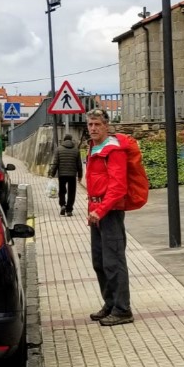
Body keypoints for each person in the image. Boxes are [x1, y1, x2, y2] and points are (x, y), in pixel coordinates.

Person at [83, 108, 133, 326]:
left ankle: (123, 309)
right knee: (99, 261)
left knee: (114, 262)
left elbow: (118, 187)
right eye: (90, 124)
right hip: (97, 211)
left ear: (106, 126)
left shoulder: (114, 150)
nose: (93, 128)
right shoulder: (93, 147)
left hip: (110, 211)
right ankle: (110, 303)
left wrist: (100, 210)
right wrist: (92, 211)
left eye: (97, 124)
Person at [50, 131, 82, 216]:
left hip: (62, 175)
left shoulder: (59, 149)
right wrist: (80, 176)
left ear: (64, 140)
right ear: (71, 140)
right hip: (72, 175)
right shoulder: (76, 150)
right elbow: (79, 164)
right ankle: (69, 210)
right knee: (71, 192)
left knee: (62, 191)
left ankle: (62, 205)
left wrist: (52, 174)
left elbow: (55, 163)